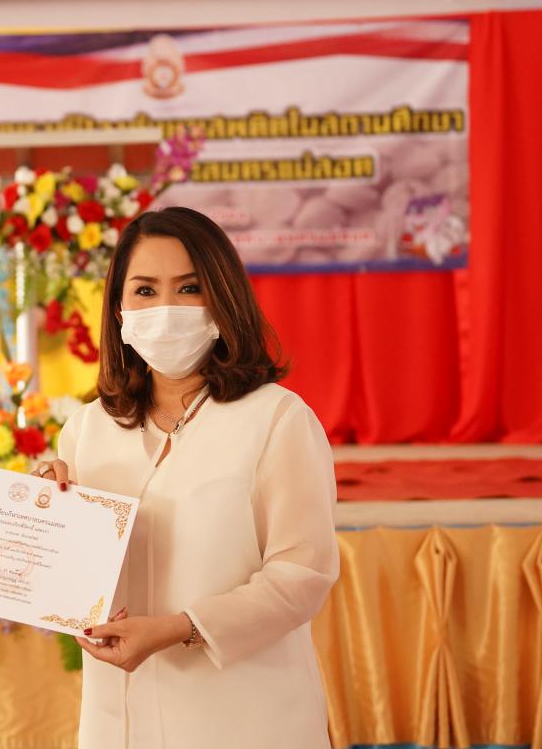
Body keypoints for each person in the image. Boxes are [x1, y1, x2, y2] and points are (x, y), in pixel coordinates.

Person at [35, 206, 339, 748]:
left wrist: (183, 626)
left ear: (223, 299)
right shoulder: (87, 428)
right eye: (145, 291)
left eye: (189, 288)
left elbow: (302, 575)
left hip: (245, 718)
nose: (166, 309)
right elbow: (70, 579)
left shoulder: (278, 419)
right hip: (118, 723)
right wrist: (43, 513)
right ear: (119, 310)